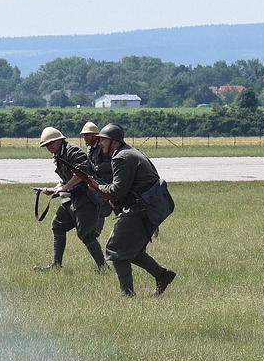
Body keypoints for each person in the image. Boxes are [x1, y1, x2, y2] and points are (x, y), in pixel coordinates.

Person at [82, 123, 177, 297]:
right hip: (148, 208)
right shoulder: (129, 153)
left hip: (142, 209)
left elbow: (118, 190)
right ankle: (163, 275)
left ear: (113, 142)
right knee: (132, 251)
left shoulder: (121, 157)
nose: (100, 143)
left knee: (115, 249)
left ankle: (127, 294)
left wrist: (97, 188)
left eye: (103, 140)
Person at [33, 127, 109, 273]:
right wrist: (54, 189)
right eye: (46, 145)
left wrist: (64, 188)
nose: (49, 147)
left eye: (51, 143)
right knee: (57, 225)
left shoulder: (74, 152)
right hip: (73, 196)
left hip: (87, 196)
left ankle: (103, 267)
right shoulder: (59, 154)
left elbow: (82, 173)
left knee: (87, 235)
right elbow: (66, 179)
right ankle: (56, 265)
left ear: (60, 140)